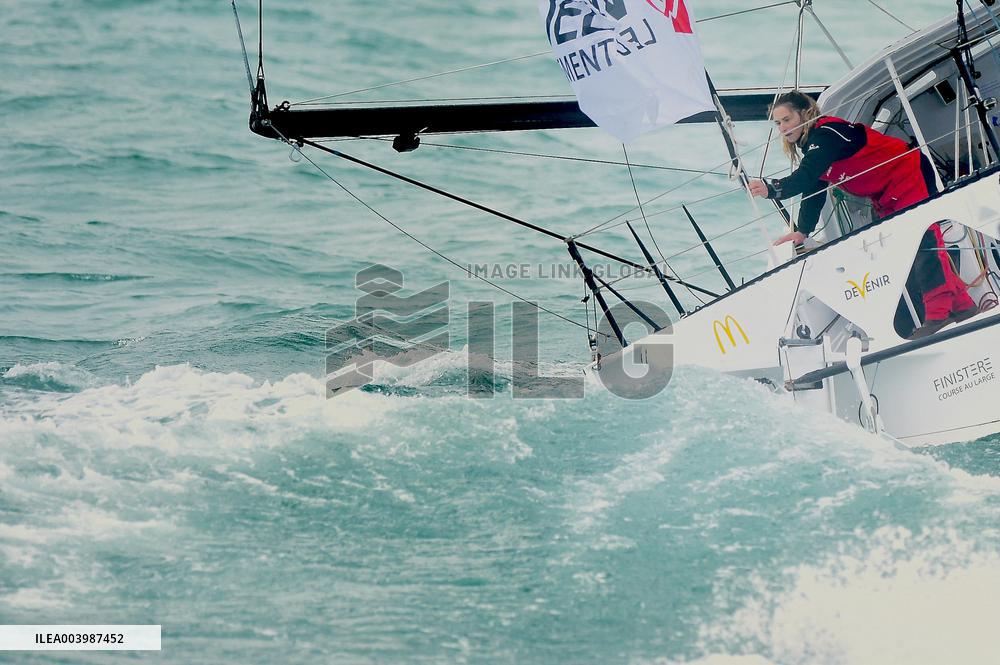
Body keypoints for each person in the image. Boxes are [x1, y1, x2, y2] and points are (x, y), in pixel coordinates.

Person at [748, 90, 977, 340]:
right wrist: (803, 230)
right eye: (778, 123)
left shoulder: (825, 136)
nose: (782, 128)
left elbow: (804, 178)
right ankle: (964, 307)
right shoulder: (812, 146)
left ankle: (938, 315)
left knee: (923, 242)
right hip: (886, 192)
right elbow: (814, 188)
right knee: (905, 249)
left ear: (804, 114)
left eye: (787, 120)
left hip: (907, 173)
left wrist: (772, 189)